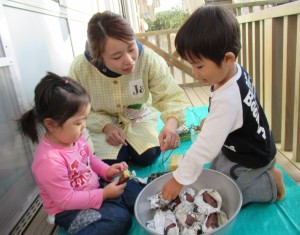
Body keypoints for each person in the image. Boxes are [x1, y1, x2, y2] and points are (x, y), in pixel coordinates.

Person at [162, 6, 285, 206]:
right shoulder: (233, 71)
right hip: (250, 140)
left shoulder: (228, 99)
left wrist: (178, 178)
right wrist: (213, 120)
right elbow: (234, 114)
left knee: (225, 196)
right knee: (213, 171)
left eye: (199, 66)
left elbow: (204, 147)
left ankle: (270, 182)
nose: (194, 72)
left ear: (227, 58)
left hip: (252, 157)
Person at [18, 72, 143, 235]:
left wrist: (107, 171)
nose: (84, 126)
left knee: (136, 192)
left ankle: (112, 205)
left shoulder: (74, 137)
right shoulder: (49, 162)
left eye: (85, 119)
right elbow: (66, 200)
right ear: (51, 124)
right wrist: (104, 194)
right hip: (69, 210)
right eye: (78, 122)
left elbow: (90, 159)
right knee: (119, 220)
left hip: (93, 188)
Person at [69, 11, 190, 166]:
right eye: (117, 57)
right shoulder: (80, 69)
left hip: (139, 116)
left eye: (132, 48)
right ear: (99, 57)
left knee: (147, 156)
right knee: (110, 161)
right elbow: (75, 109)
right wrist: (106, 127)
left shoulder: (148, 59)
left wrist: (171, 125)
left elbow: (170, 96)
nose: (129, 61)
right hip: (100, 121)